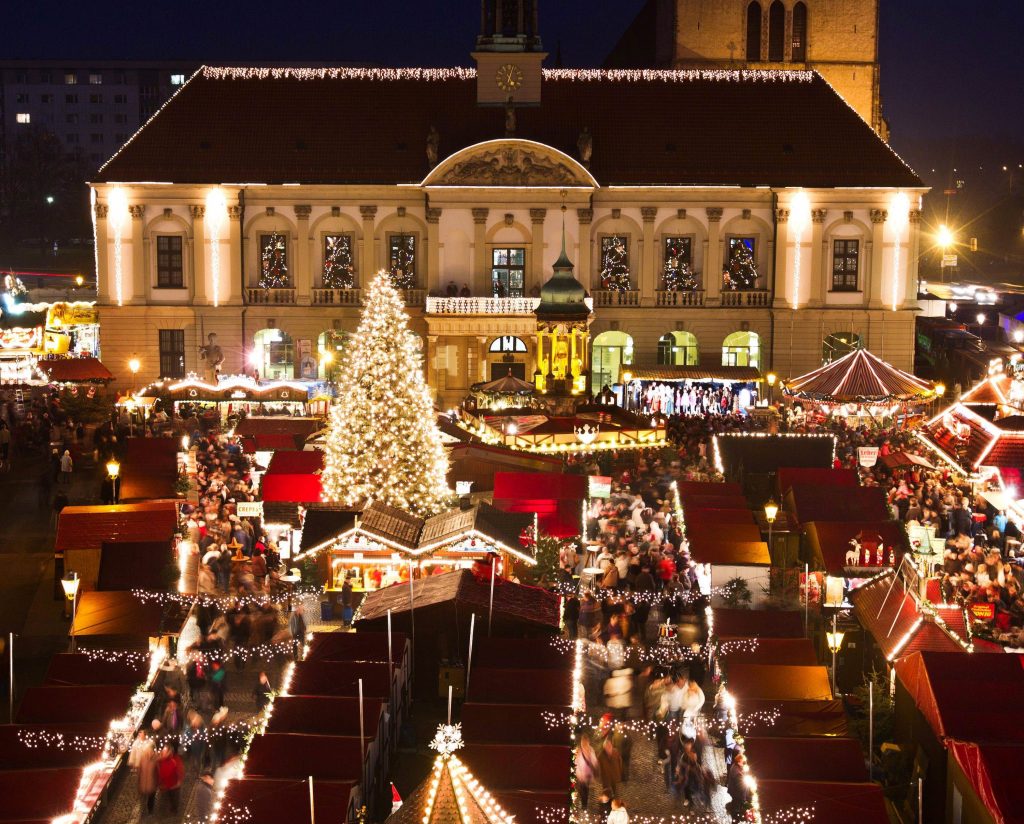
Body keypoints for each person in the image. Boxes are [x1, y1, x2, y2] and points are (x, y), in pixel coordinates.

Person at [130, 729, 159, 815]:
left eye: (141, 733)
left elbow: (157, 772)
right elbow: (133, 754)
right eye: (139, 733)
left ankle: (149, 809)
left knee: (150, 798)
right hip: (143, 782)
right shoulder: (136, 744)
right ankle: (143, 809)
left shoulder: (150, 744)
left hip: (151, 784)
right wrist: (133, 764)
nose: (139, 734)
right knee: (143, 797)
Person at [157, 743, 184, 814]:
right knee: (168, 798)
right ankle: (170, 808)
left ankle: (174, 809)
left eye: (164, 751)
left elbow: (179, 771)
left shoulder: (175, 761)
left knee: (174, 798)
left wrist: (179, 782)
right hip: (166, 785)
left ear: (169, 752)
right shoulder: (161, 760)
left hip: (174, 785)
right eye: (163, 751)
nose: (162, 752)